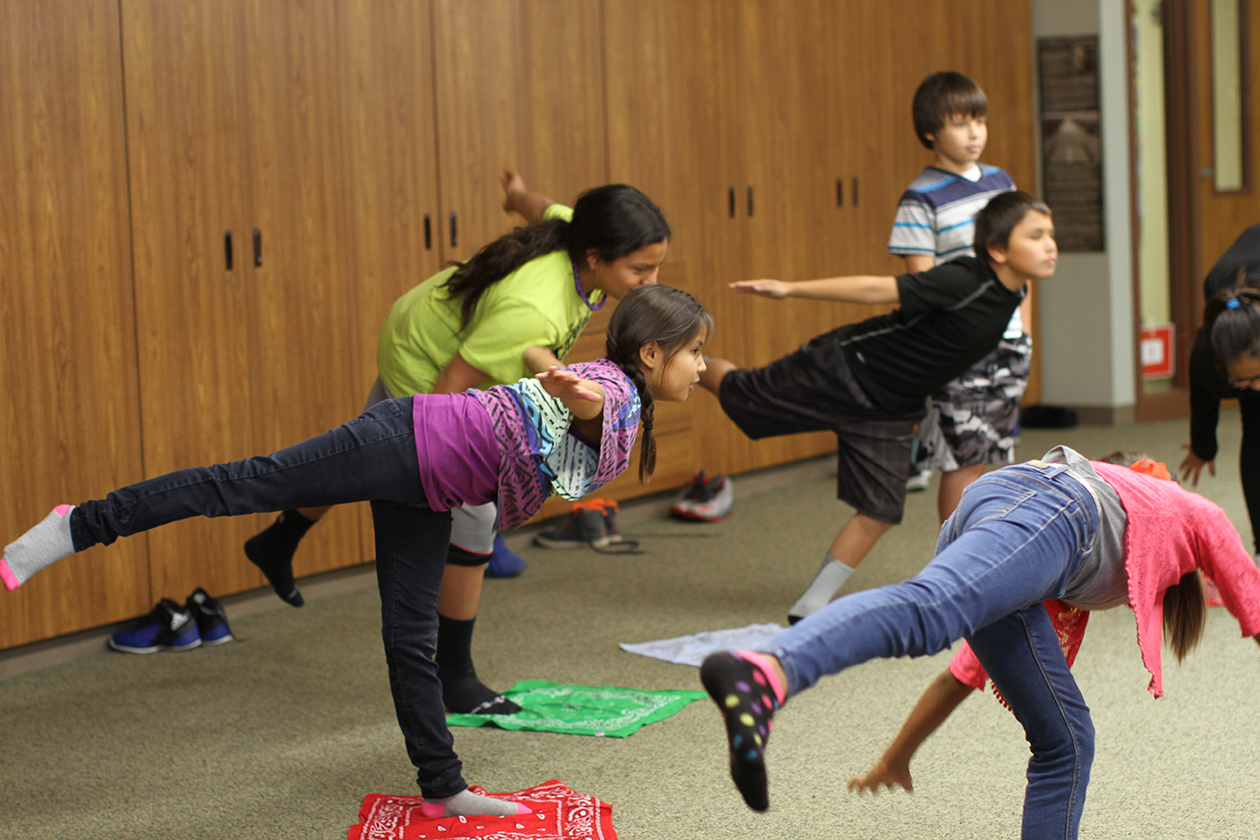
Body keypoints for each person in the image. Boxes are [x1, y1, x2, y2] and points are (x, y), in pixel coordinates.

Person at [3, 284, 711, 818]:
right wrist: (570, 388)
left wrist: (550, 371)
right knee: (240, 483)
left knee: (410, 634)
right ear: (650, 354)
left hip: (435, 482)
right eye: (694, 353)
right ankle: (80, 523)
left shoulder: (621, 394)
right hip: (405, 440)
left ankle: (443, 787)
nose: (701, 367)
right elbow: (590, 403)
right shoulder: (615, 392)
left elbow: (566, 392)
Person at [244, 171, 671, 715]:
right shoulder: (533, 307)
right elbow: (453, 383)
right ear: (595, 257)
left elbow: (542, 207)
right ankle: (455, 678)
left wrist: (515, 195)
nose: (650, 280)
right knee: (474, 511)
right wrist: (444, 454)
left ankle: (280, 537)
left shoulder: (573, 231)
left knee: (361, 454)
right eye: (640, 269)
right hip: (428, 359)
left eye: (656, 266)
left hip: (419, 326)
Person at [699, 444, 1260, 839]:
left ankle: (769, 673)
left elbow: (961, 675)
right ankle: (768, 671)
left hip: (1016, 510)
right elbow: (1254, 603)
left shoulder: (1087, 566)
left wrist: (896, 760)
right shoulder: (1188, 510)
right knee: (931, 610)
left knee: (1065, 738)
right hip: (1048, 506)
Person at [699, 190, 1057, 623]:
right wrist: (790, 289)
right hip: (846, 369)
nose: (1050, 244)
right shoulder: (966, 278)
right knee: (743, 398)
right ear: (998, 249)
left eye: (1050, 235)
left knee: (881, 508)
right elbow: (876, 289)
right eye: (1036, 236)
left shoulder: (1013, 294)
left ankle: (808, 607)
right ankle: (685, 362)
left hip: (891, 407)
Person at [845, 452, 1166, 797]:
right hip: (1007, 558)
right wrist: (896, 757)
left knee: (1066, 738)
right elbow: (956, 679)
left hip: (1033, 551)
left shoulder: (1092, 552)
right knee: (1066, 744)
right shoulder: (1032, 573)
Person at [888, 71, 1030, 523]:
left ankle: (979, 566)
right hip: (959, 348)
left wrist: (1024, 331)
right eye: (960, 123)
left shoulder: (999, 182)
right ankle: (955, 568)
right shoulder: (920, 199)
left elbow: (1019, 266)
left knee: (986, 456)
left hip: (1007, 340)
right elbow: (921, 288)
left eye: (980, 121)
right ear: (931, 131)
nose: (974, 133)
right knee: (961, 461)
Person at [1181, 223, 1260, 555]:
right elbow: (1203, 401)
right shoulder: (1206, 358)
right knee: (1256, 428)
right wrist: (1203, 447)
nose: (1257, 386)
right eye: (1245, 380)